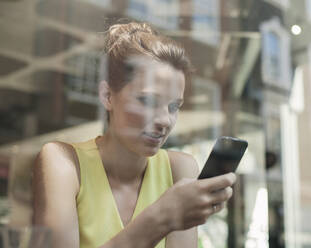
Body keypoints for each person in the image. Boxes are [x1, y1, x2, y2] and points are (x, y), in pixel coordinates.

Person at [32, 22, 236, 248]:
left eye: (173, 106)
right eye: (148, 101)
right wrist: (162, 218)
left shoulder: (179, 169)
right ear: (108, 95)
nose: (165, 120)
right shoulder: (63, 162)